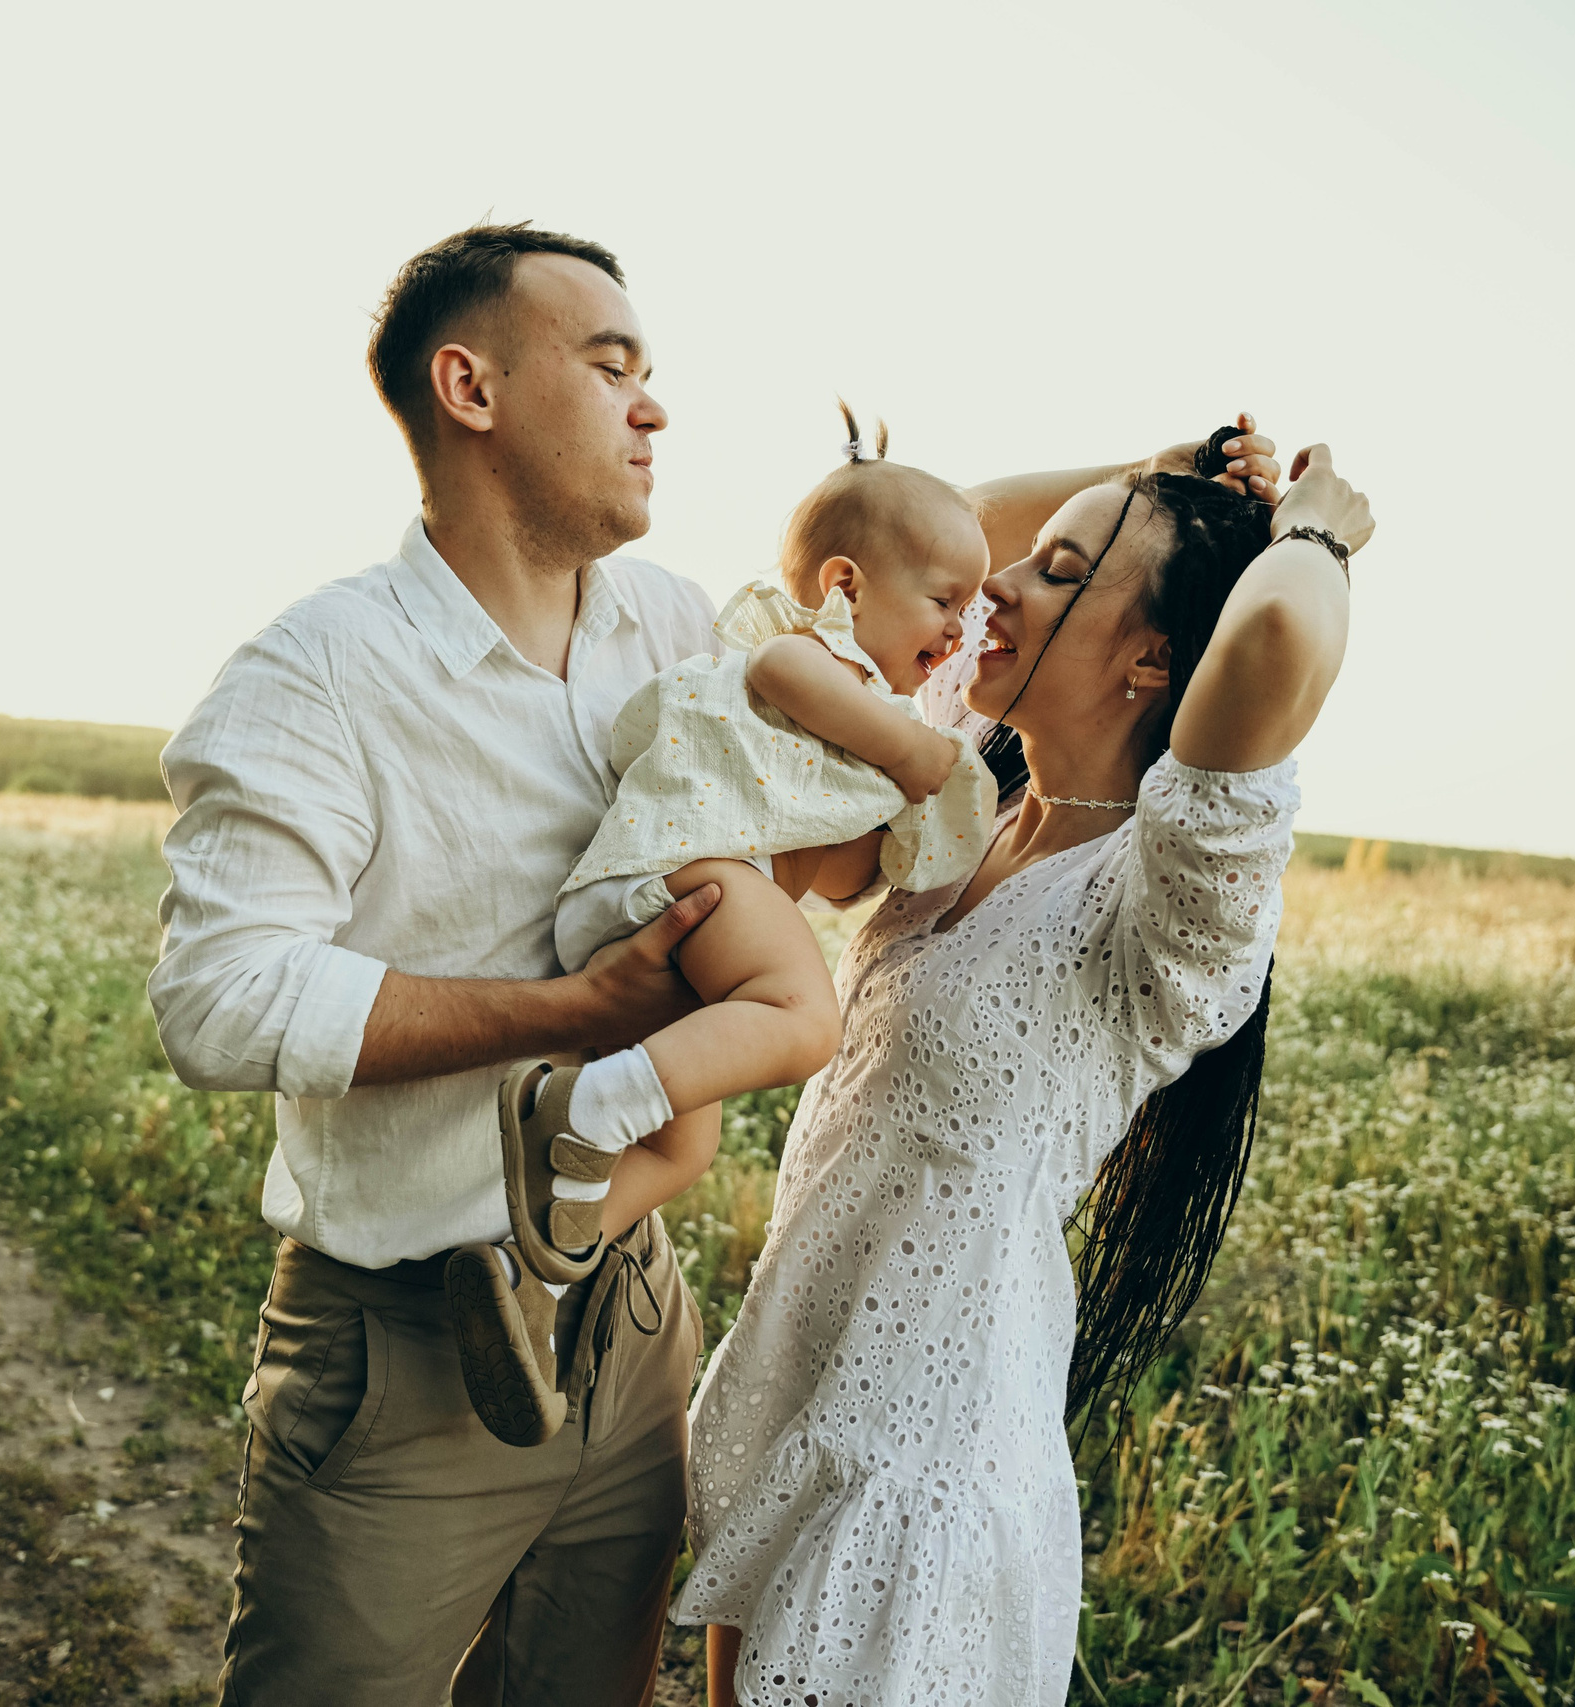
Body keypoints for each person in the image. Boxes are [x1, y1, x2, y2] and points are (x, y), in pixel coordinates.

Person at [150, 217, 1280, 1706]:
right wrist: (573, 1011)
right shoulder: (317, 673)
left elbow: (924, 539)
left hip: (633, 1331)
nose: (655, 407)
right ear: (470, 387)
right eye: (610, 366)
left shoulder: (678, 624)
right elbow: (218, 1001)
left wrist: (1157, 474)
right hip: (408, 1348)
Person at [671, 446, 1373, 1707]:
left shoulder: (1164, 897)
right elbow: (931, 535)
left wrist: (1314, 531)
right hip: (803, 1361)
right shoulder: (971, 794)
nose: (994, 588)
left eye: (1058, 573)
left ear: (1151, 660)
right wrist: (1159, 468)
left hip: (924, 1440)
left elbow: (1272, 631)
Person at [449, 408, 1002, 1450]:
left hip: (680, 901)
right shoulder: (810, 655)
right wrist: (910, 754)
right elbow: (779, 678)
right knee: (804, 1019)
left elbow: (833, 876)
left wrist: (885, 805)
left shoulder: (853, 717)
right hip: (692, 871)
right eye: (944, 600)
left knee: (681, 1146)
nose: (958, 630)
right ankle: (578, 1106)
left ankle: (525, 1280)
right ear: (844, 586)